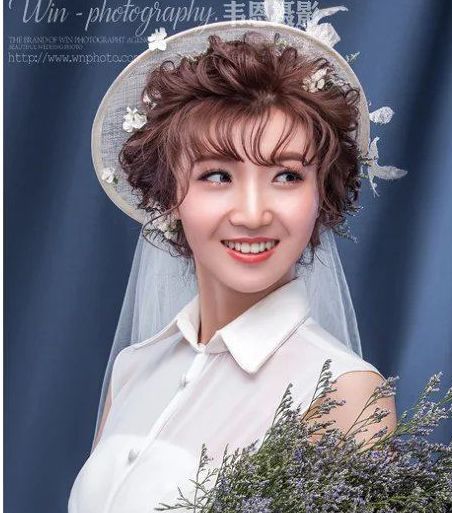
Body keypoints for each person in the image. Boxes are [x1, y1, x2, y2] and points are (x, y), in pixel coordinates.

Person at [69, 7, 403, 512]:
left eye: (287, 176)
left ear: (322, 196)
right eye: (217, 176)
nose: (252, 214)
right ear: (169, 196)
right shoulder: (133, 368)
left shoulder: (345, 394)